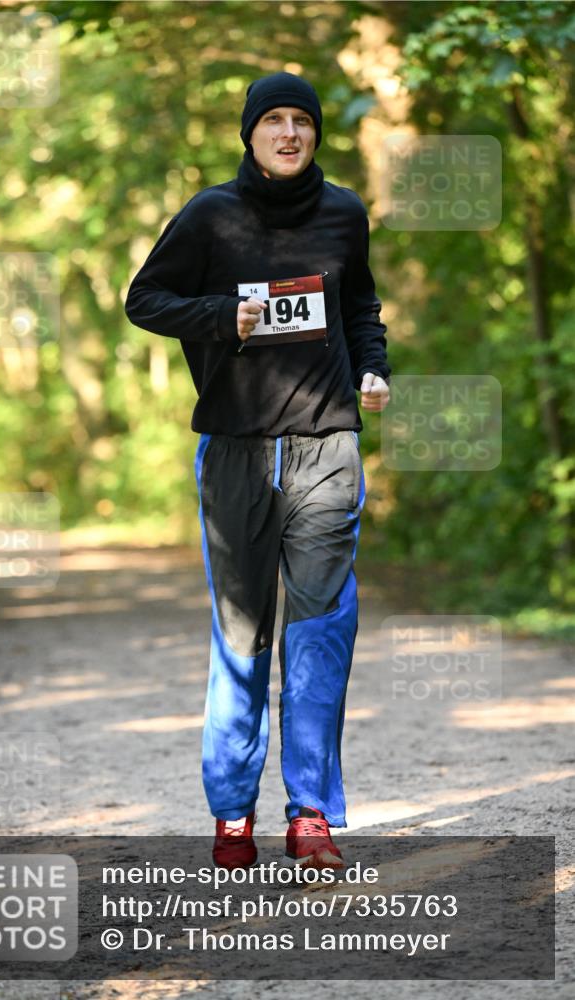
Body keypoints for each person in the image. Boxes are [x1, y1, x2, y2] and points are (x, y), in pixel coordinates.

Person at [125, 72, 390, 870]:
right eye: (271, 120)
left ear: (315, 133)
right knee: (242, 637)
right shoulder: (210, 215)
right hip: (235, 450)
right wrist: (219, 316)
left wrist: (372, 368)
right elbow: (145, 299)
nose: (287, 133)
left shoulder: (343, 213)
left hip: (325, 447)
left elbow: (359, 308)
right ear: (249, 133)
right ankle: (232, 810)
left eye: (299, 120)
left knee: (319, 633)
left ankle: (310, 815)